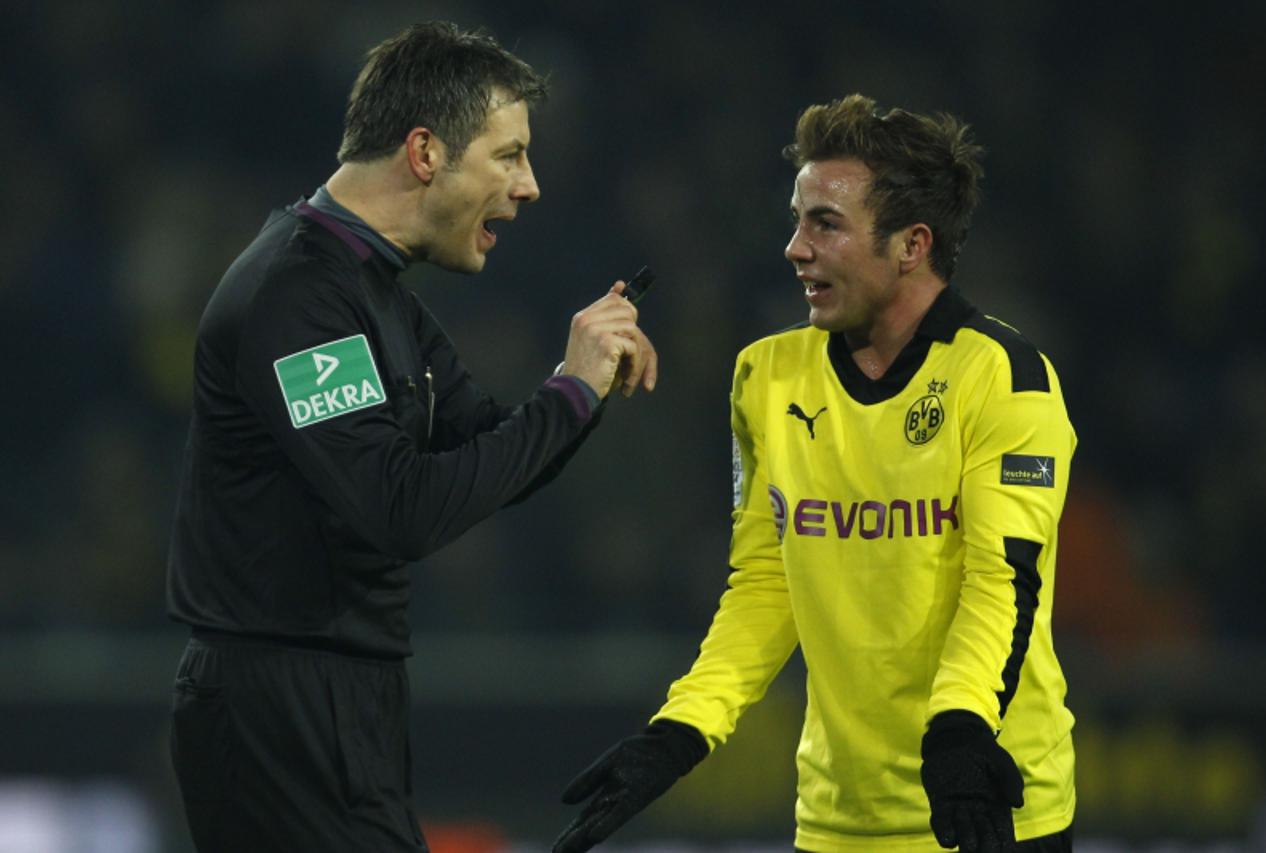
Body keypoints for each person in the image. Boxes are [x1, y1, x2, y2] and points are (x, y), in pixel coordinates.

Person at [166, 22, 657, 852]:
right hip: (279, 713)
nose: (530, 186)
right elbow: (400, 508)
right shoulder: (298, 298)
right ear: (426, 152)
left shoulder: (376, 295)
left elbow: (489, 446)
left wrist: (583, 387)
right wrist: (568, 391)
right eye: (509, 155)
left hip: (339, 699)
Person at [554, 94, 1075, 853]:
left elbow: (1002, 582)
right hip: (837, 821)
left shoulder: (1005, 377)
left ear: (911, 244)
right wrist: (680, 731)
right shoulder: (765, 376)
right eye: (797, 221)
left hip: (989, 800)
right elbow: (767, 581)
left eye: (825, 224)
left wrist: (961, 731)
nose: (795, 248)